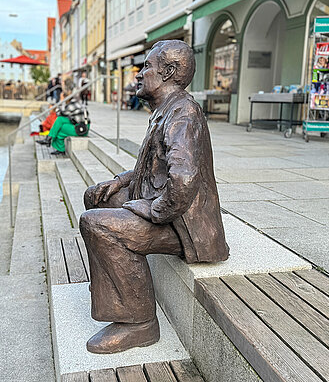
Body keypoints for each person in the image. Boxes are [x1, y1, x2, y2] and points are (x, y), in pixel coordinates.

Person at [79, 40, 229, 354]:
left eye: (146, 67)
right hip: (167, 207)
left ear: (169, 72)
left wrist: (155, 211)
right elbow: (155, 164)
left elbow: (183, 179)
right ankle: (113, 285)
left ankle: (140, 323)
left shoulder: (182, 114)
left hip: (185, 228)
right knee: (97, 199)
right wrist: (119, 181)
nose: (139, 73)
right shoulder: (167, 108)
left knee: (97, 224)